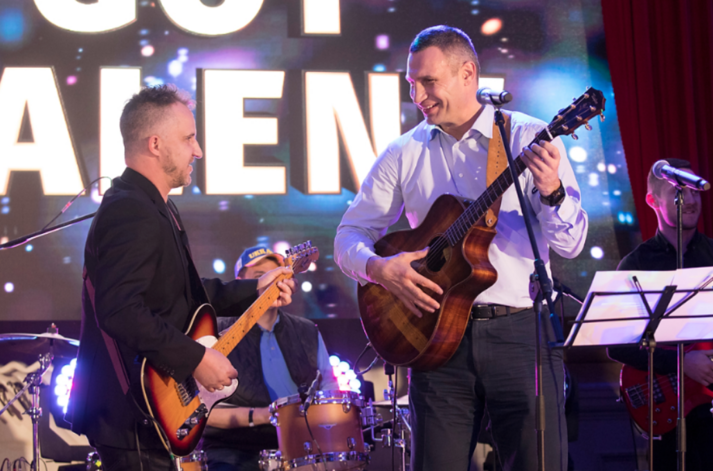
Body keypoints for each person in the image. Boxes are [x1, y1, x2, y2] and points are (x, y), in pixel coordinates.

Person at [334, 26, 588, 471]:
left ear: (468, 73)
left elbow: (570, 244)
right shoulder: (403, 152)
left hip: (520, 336)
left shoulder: (528, 138)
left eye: (428, 81)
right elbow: (348, 235)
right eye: (411, 83)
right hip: (433, 339)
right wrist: (379, 269)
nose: (417, 95)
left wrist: (552, 191)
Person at [66, 84, 295, 470]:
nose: (198, 150)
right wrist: (196, 359)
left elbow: (180, 294)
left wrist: (255, 288)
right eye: (189, 138)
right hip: (132, 413)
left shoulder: (153, 206)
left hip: (146, 412)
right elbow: (120, 310)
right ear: (155, 144)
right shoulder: (131, 210)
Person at [608, 159, 713, 470]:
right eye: (679, 192)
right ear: (653, 201)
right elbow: (617, 345)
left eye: (694, 190)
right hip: (670, 410)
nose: (691, 199)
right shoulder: (635, 265)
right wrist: (681, 363)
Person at [201, 246, 338, 471]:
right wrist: (265, 415)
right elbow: (199, 411)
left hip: (301, 445)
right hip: (234, 448)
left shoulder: (307, 330)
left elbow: (330, 388)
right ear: (240, 284)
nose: (270, 282)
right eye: (259, 276)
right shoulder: (214, 332)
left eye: (275, 274)